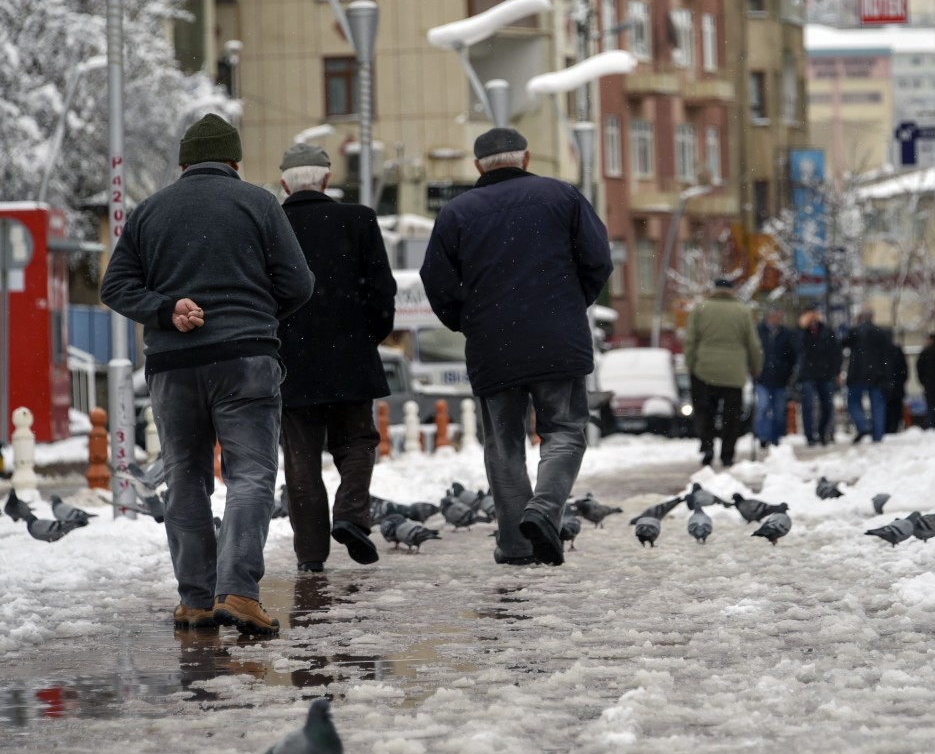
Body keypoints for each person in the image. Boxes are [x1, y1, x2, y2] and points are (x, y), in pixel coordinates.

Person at [100, 114, 314, 635]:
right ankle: (238, 592)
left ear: (183, 163)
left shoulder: (149, 212)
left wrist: (166, 308)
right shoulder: (259, 203)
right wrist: (257, 317)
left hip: (173, 367)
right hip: (245, 362)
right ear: (235, 162)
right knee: (250, 475)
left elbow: (115, 287)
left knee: (186, 479)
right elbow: (299, 283)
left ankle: (195, 600)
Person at [420, 127, 612, 567]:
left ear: (477, 167)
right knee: (564, 431)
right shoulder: (562, 196)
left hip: (493, 345)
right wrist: (569, 305)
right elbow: (598, 260)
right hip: (557, 340)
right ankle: (545, 509)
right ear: (526, 158)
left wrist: (470, 321)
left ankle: (515, 544)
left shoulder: (456, 213)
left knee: (503, 444)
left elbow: (438, 283)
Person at [276, 143, 396, 574]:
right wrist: (365, 338)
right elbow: (382, 293)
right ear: (327, 180)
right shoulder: (358, 219)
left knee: (300, 457)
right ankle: (351, 513)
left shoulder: (273, 223)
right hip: (350, 356)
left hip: (290, 363)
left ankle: (310, 554)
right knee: (357, 442)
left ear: (283, 182)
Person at [684, 277, 764, 467]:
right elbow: (753, 344)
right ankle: (727, 453)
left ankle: (708, 446)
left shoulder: (700, 309)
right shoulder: (742, 311)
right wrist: (755, 366)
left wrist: (691, 365)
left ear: (714, 289)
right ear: (732, 291)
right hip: (733, 372)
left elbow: (690, 341)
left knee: (705, 412)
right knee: (731, 415)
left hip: (704, 369)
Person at [842, 310, 895, 442]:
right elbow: (887, 355)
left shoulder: (855, 332)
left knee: (853, 403)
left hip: (857, 374)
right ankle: (877, 435)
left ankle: (862, 425)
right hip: (877, 375)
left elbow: (842, 343)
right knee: (877, 406)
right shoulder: (881, 333)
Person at [793, 306, 842, 446]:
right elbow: (796, 347)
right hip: (807, 374)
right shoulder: (801, 332)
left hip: (825, 374)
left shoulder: (827, 331)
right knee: (808, 405)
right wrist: (802, 328)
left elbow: (835, 352)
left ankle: (822, 432)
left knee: (827, 405)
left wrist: (836, 371)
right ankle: (809, 436)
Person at [753, 305, 797, 449]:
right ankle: (763, 436)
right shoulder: (758, 332)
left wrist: (788, 372)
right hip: (762, 378)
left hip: (780, 379)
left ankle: (775, 437)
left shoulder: (786, 334)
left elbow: (792, 355)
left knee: (778, 411)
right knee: (763, 407)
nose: (779, 319)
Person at [885, 336, 909, 434]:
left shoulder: (881, 351)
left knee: (887, 409)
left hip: (886, 387)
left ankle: (888, 428)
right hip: (897, 387)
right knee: (896, 408)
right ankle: (894, 427)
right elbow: (904, 371)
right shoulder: (897, 351)